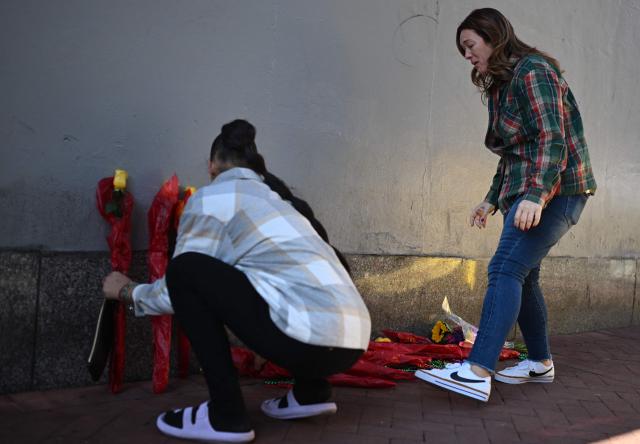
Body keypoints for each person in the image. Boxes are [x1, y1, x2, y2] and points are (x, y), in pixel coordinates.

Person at [102, 119, 371, 442]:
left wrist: (128, 291)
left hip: (306, 341)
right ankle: (311, 392)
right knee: (291, 282)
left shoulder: (210, 198)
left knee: (186, 270)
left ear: (212, 165)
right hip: (353, 343)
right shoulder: (285, 205)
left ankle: (226, 414)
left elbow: (179, 289)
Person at [415, 8, 596, 402]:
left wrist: (535, 195)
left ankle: (478, 370)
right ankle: (540, 363)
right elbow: (513, 152)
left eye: (470, 45)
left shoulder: (534, 72)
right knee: (524, 274)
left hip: (558, 191)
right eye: (462, 49)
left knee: (505, 268)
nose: (466, 55)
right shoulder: (502, 84)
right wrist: (492, 198)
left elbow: (553, 140)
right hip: (528, 190)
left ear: (492, 36)